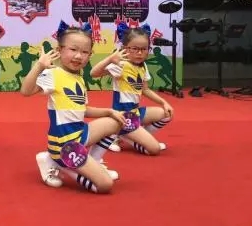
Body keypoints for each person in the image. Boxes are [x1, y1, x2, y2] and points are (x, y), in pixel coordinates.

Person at [20, 21, 126, 194]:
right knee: (105, 185)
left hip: (79, 134)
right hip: (64, 145)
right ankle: (61, 165)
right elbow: (26, 91)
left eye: (84, 52)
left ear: (90, 55)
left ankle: (93, 162)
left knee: (118, 120)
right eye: (73, 49)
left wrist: (109, 111)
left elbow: (82, 110)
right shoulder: (53, 73)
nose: (78, 56)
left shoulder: (79, 78)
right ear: (60, 50)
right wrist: (39, 66)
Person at [88, 23, 173, 162]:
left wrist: (164, 102)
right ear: (125, 48)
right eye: (135, 49)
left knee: (166, 113)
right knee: (154, 149)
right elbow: (93, 73)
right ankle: (126, 135)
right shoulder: (121, 64)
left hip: (135, 113)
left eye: (144, 49)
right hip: (124, 116)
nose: (139, 53)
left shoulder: (142, 65)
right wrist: (110, 59)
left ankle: (130, 135)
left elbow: (145, 89)